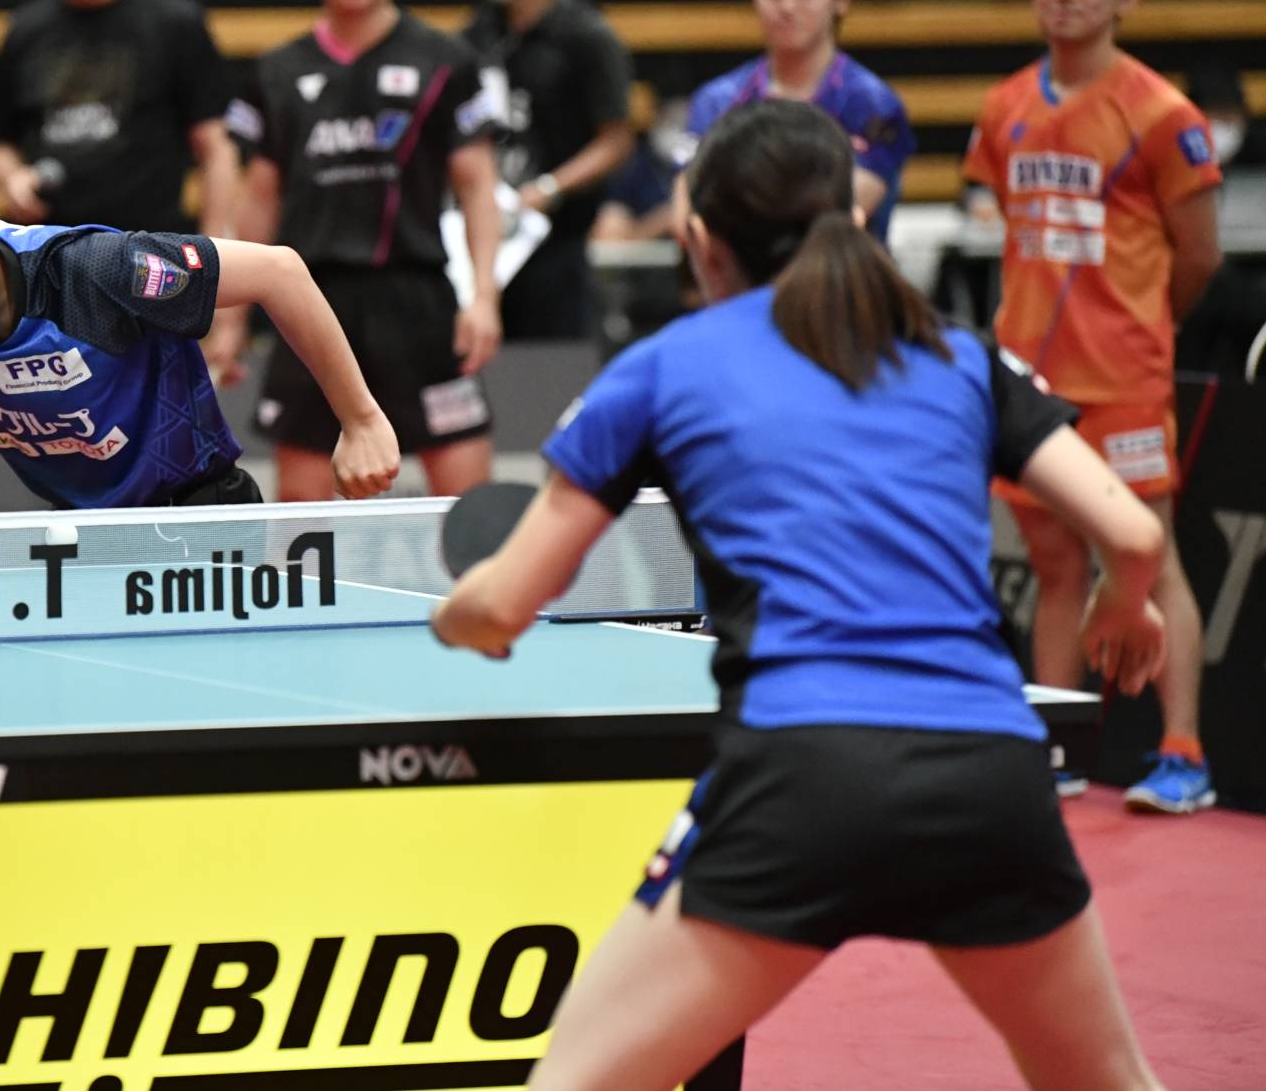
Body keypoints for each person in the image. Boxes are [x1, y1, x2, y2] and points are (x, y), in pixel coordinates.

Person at [435, 98, 1168, 1091]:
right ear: (855, 220)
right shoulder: (956, 353)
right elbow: (1129, 532)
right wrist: (1122, 607)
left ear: (698, 243)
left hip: (799, 776)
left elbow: (506, 602)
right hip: (989, 775)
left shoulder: (657, 368)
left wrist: (460, 614)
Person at [0, 126, 399, 509]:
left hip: (199, 517)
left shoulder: (97, 272)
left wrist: (362, 418)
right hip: (80, 535)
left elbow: (279, 271)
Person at [965, 0, 1223, 814]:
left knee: (1150, 566)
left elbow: (1199, 256)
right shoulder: (1004, 107)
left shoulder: (1161, 113)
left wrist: (1142, 327)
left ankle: (1183, 753)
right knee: (1055, 567)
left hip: (1123, 380)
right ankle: (1058, 750)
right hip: (1031, 382)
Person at [226, 0, 504, 500]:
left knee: (469, 512)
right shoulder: (276, 71)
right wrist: (233, 318)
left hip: (420, 300)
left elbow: (478, 187)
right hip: (309, 303)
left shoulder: (447, 61)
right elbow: (259, 199)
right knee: (300, 520)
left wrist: (483, 295)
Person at [0, 0, 247, 379]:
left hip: (154, 271)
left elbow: (216, 150)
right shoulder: (25, 30)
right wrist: (12, 178)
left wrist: (219, 279)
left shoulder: (174, 22)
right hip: (50, 277)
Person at [460, 0, 636, 339]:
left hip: (556, 251)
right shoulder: (476, 36)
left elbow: (616, 139)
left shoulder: (587, 37)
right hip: (479, 245)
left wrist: (548, 188)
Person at [676, 0, 914, 243]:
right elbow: (685, 216)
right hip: (739, 291)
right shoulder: (717, 101)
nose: (787, 6)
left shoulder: (872, 104)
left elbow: (836, 217)